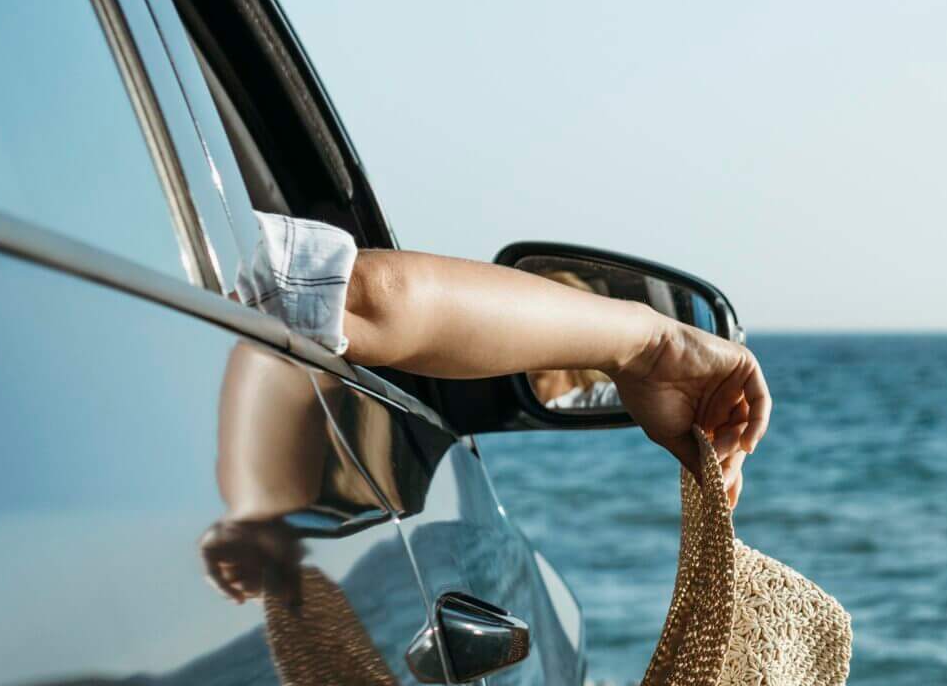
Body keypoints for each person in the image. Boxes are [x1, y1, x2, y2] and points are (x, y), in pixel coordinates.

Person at [236, 211, 768, 507]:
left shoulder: (189, 248)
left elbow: (354, 298)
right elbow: (362, 299)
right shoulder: (200, 249)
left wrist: (650, 348)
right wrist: (649, 347)